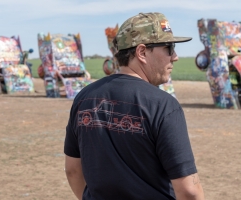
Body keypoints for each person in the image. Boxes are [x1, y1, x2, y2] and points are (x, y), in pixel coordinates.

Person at [64, 12, 204, 200]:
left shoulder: (84, 98)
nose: (175, 57)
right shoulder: (163, 105)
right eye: (169, 48)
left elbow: (73, 170)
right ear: (142, 52)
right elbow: (189, 191)